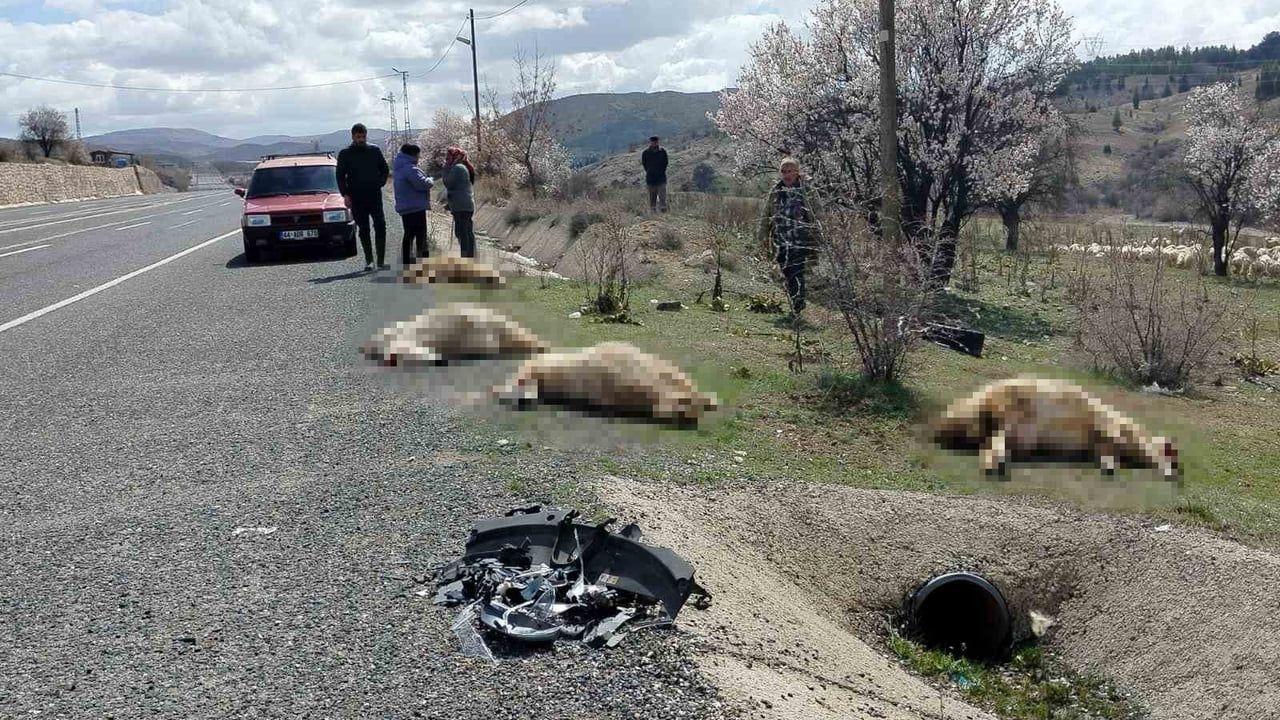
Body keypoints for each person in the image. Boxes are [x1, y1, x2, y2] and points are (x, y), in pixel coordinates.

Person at [757, 157, 821, 315]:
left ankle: (798, 303)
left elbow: (818, 214)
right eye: (784, 172)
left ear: (797, 172)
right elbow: (766, 215)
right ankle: (796, 300)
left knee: (796, 270)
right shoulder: (776, 190)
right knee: (786, 270)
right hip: (780, 241)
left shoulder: (807, 190)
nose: (786, 175)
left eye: (790, 171)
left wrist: (819, 235)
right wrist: (762, 236)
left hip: (801, 240)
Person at [336, 123, 390, 271]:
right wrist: (345, 194)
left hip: (374, 195)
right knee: (363, 228)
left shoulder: (374, 151)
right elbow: (340, 176)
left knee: (380, 225)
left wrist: (380, 183)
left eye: (363, 136)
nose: (361, 139)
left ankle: (381, 261)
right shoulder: (345, 154)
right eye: (358, 136)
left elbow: (384, 169)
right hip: (357, 197)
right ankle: (369, 261)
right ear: (353, 136)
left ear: (366, 136)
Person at [392, 143, 433, 267]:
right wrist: (430, 180)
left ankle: (407, 262)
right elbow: (422, 183)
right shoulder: (409, 168)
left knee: (408, 234)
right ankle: (423, 263)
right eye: (418, 155)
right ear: (413, 154)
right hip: (415, 207)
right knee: (421, 235)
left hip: (405, 207)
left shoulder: (399, 167)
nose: (419, 157)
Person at [442, 146, 477, 259]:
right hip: (465, 204)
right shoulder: (462, 167)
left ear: (454, 157)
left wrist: (446, 169)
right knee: (467, 232)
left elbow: (448, 182)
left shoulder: (458, 168)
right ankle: (471, 257)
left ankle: (467, 258)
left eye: (448, 157)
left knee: (462, 233)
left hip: (461, 205)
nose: (446, 160)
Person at [641, 136, 668, 213]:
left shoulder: (662, 151)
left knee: (662, 196)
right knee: (652, 197)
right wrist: (650, 171)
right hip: (651, 179)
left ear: (658, 142)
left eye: (656, 142)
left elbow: (665, 163)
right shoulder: (645, 153)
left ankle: (664, 212)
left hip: (661, 178)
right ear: (650, 142)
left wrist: (661, 171)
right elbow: (644, 164)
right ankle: (653, 213)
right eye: (653, 142)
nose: (654, 143)